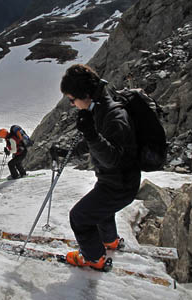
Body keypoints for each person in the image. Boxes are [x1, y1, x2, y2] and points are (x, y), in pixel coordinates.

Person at [52, 64, 141, 271]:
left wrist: (91, 134)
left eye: (72, 99)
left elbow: (112, 158)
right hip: (116, 182)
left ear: (85, 95)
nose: (73, 104)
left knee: (79, 217)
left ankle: (93, 258)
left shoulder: (114, 116)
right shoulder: (100, 108)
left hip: (120, 184)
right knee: (101, 209)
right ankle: (109, 241)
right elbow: (97, 142)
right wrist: (69, 152)